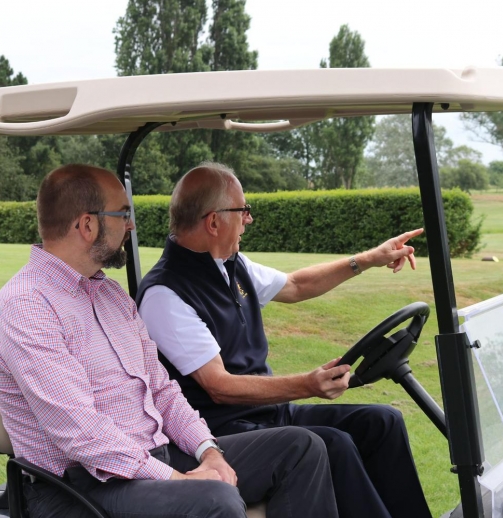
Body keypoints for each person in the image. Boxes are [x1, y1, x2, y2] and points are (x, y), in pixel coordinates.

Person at [0, 164, 339, 518]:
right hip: (78, 487)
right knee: (216, 502)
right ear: (87, 224)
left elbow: (162, 390)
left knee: (300, 447)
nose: (131, 225)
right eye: (123, 214)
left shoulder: (110, 296)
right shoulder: (27, 306)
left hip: (150, 458)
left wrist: (208, 452)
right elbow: (82, 436)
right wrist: (178, 480)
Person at [138, 162, 432, 518]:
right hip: (224, 431)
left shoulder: (230, 264)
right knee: (335, 445)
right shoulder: (166, 294)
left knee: (383, 422)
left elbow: (295, 285)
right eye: (242, 210)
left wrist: (369, 259)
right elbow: (219, 387)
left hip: (269, 415)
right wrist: (307, 384)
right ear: (213, 222)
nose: (248, 219)